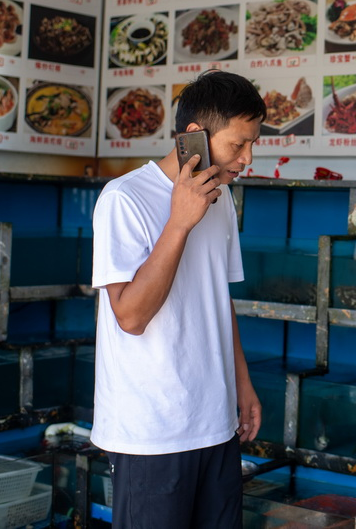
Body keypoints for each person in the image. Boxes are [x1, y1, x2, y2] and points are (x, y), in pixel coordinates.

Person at [91, 70, 266, 529]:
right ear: (195, 137)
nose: (247, 158)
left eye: (253, 144)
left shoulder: (221, 198)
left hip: (214, 419)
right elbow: (130, 316)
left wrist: (241, 383)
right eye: (238, 144)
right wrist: (179, 222)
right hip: (151, 430)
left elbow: (217, 297)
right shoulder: (124, 198)